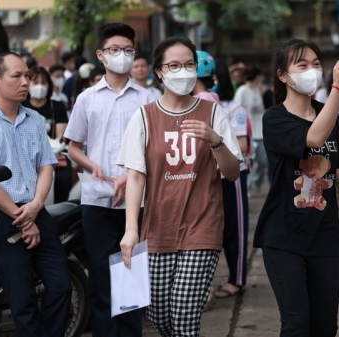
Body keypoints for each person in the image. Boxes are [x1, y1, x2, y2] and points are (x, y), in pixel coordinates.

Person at [117, 36, 242, 336]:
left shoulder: (213, 113)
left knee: (184, 318)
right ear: (158, 72)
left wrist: (216, 141)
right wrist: (131, 229)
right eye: (174, 65)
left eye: (189, 65)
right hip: (159, 229)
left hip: (203, 227)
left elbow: (233, 172)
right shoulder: (144, 117)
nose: (182, 71)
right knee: (159, 314)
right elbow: (136, 176)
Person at [254, 39, 339, 336]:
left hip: (325, 236)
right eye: (301, 65)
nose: (312, 70)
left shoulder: (331, 116)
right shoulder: (274, 118)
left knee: (325, 327)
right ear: (282, 75)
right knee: (296, 324)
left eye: (316, 64)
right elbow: (314, 138)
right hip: (283, 237)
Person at [0, 52, 71, 336]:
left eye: (27, 75)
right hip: (0, 218)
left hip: (35, 210)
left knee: (61, 287)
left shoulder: (33, 119)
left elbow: (46, 165)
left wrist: (35, 207)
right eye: (17, 76)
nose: (26, 82)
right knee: (22, 301)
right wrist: (23, 218)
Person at [64, 22, 151, 337]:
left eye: (128, 50)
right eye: (115, 50)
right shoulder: (88, 98)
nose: (122, 56)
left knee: (131, 277)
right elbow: (73, 146)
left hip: (136, 200)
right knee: (101, 276)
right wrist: (94, 167)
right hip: (97, 198)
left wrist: (128, 178)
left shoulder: (148, 97)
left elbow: (152, 149)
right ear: (101, 55)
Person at [213, 58, 251, 298]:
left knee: (235, 226)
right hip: (206, 176)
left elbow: (243, 145)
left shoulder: (233, 108)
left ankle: (237, 279)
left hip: (233, 174)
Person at [22, 66, 71, 204]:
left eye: (43, 82)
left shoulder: (57, 106)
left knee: (62, 178)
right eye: (35, 82)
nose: (39, 86)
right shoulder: (20, 106)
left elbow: (61, 135)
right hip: (26, 156)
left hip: (55, 155)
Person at [234, 66, 266, 194]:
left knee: (264, 161)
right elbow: (237, 109)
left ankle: (256, 180)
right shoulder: (242, 91)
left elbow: (261, 109)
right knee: (250, 161)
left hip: (260, 131)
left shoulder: (257, 90)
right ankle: (248, 187)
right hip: (248, 132)